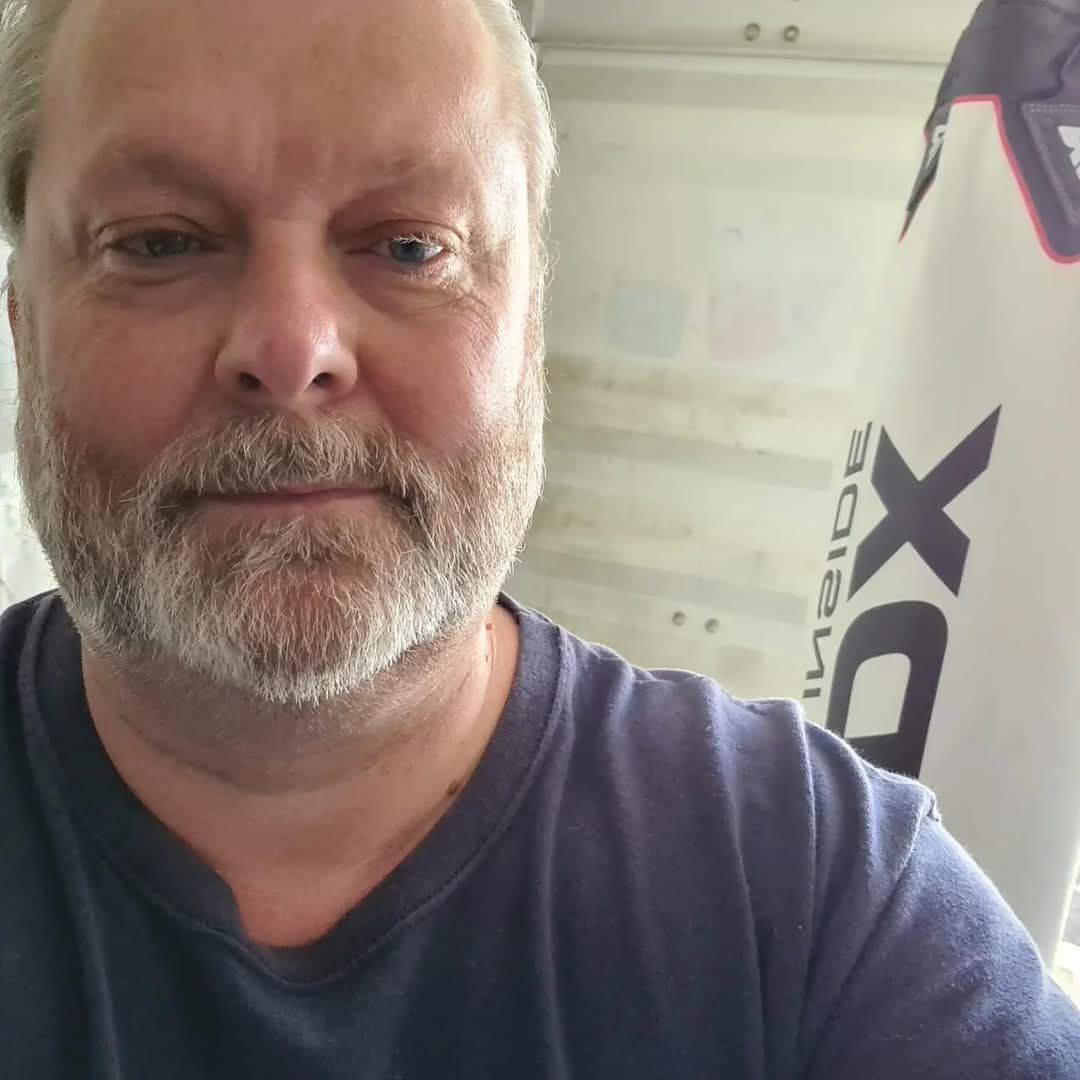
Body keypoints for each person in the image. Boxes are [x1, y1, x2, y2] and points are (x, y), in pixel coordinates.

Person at [0, 0, 1077, 1076]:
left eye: (411, 246)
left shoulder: (820, 892)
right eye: (158, 242)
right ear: (24, 324)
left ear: (528, 326)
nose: (292, 352)